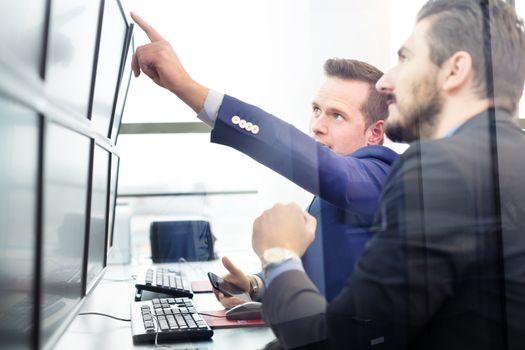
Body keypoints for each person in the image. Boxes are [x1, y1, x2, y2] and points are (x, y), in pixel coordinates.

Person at [249, 0, 525, 349]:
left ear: (455, 70)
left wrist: (278, 254)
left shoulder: (438, 170)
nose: (385, 81)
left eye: (405, 58)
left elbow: (331, 342)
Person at [130, 13, 398, 304]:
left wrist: (185, 86)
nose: (317, 125)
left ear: (375, 133)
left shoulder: (380, 177)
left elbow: (299, 153)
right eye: (317, 109)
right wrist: (254, 286)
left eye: (337, 115)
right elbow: (314, 281)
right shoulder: (328, 193)